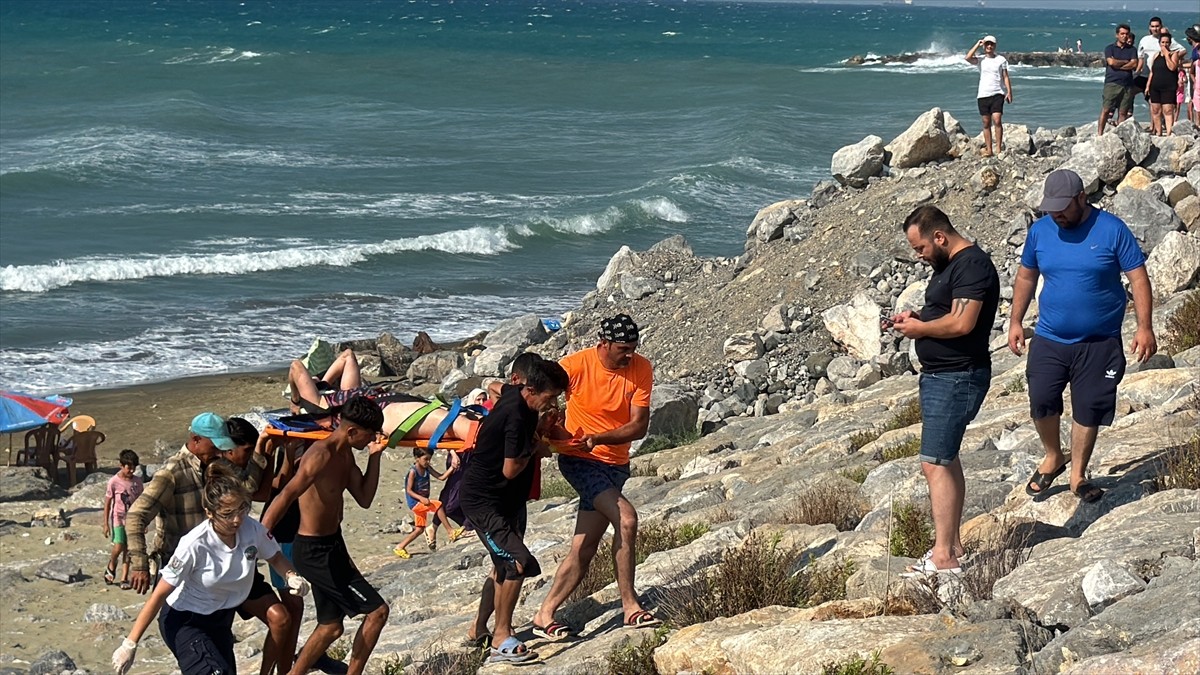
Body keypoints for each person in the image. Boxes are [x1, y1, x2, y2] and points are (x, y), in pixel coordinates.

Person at [1009, 170, 1156, 504]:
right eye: (1051, 208)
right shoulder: (1040, 231)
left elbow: (1138, 279)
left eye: (1062, 207)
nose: (1056, 214)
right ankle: (1052, 456)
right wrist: (1015, 320)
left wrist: (1144, 327)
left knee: (1089, 407)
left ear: (1081, 198)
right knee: (1042, 398)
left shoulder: (1112, 229)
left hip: (1100, 340)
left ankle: (1078, 475)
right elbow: (1026, 277)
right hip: (1049, 336)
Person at [111, 462, 310, 675]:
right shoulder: (194, 544)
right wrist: (130, 643)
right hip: (186, 620)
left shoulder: (251, 529)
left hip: (221, 620)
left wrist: (291, 576)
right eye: (227, 513)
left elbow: (276, 556)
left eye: (241, 509)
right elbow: (160, 593)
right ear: (209, 512)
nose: (236, 519)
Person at [531, 314, 659, 640]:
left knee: (584, 549)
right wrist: (550, 429)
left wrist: (599, 437)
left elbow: (639, 426)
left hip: (616, 465)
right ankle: (630, 606)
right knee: (627, 519)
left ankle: (544, 614)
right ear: (603, 344)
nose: (629, 355)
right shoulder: (574, 366)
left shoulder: (641, 368)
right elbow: (539, 395)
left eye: (633, 348)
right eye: (622, 349)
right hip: (579, 461)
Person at [888, 206, 999, 576]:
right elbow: (945, 314)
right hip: (942, 375)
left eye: (920, 248)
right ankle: (952, 544)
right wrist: (918, 319)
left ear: (939, 237)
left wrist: (921, 332)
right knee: (946, 458)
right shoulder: (949, 267)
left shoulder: (972, 265)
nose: (919, 256)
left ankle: (943, 558)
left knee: (934, 462)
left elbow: (964, 322)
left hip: (958, 375)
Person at [260, 395, 389, 675]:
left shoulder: (347, 454)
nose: (371, 440)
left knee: (331, 627)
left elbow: (365, 498)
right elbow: (287, 494)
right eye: (369, 435)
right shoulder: (320, 454)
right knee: (378, 612)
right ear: (352, 431)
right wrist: (259, 536)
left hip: (334, 544)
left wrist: (375, 457)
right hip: (313, 551)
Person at [462, 359, 569, 663]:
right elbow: (511, 469)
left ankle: (478, 629)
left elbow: (493, 386)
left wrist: (541, 426)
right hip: (485, 503)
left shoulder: (513, 393)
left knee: (500, 564)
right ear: (531, 390)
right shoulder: (516, 417)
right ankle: (501, 638)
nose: (553, 403)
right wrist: (537, 444)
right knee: (518, 563)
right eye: (549, 398)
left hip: (509, 500)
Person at [125, 412, 242, 595]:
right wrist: (140, 565)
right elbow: (135, 516)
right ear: (196, 440)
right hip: (176, 564)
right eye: (215, 447)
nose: (219, 453)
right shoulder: (172, 473)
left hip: (210, 562)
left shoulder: (214, 467)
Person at [392, 447, 464, 558]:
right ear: (417, 458)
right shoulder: (413, 472)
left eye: (429, 459)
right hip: (416, 503)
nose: (428, 462)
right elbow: (409, 490)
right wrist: (421, 499)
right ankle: (450, 531)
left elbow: (441, 477)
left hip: (422, 502)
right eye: (426, 459)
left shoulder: (427, 468)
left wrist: (452, 468)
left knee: (419, 529)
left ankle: (400, 547)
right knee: (439, 505)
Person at [965, 35, 1012, 157]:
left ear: (995, 46)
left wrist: (1009, 92)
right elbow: (968, 58)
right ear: (984, 46)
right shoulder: (980, 60)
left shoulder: (1001, 60)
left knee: (997, 120)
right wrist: (977, 44)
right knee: (986, 123)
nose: (989, 46)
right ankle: (989, 150)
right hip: (983, 94)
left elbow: (1005, 77)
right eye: (987, 44)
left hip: (997, 93)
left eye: (991, 44)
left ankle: (999, 150)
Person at [103, 449, 144, 590]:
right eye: (129, 467)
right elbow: (108, 503)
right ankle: (112, 563)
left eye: (134, 467)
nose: (131, 470)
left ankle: (124, 577)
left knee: (128, 550)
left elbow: (141, 502)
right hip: (118, 518)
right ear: (121, 465)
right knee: (119, 545)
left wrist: (143, 522)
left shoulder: (137, 482)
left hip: (132, 520)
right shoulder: (114, 482)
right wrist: (105, 524)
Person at [287, 348, 365, 411]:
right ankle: (322, 384)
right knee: (348, 355)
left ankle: (295, 401)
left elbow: (295, 365)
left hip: (324, 406)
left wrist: (295, 400)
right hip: (352, 401)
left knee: (295, 366)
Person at [1137, 17, 1185, 119]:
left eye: (1157, 26)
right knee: (1131, 92)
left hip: (1163, 76)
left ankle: (1157, 126)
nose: (1155, 29)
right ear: (1149, 27)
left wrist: (1173, 56)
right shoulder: (1144, 40)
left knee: (1159, 103)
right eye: (1153, 26)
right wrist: (1136, 71)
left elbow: (1183, 50)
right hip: (1146, 74)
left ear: (1161, 27)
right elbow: (1140, 57)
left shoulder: (1166, 40)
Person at [1099, 24, 1140, 135]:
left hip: (1127, 84)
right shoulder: (1110, 48)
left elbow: (1134, 64)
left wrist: (1118, 64)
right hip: (1112, 83)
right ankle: (1099, 134)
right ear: (1117, 35)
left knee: (1123, 112)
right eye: (1122, 34)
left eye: (1126, 34)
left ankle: (1119, 134)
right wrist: (1126, 62)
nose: (1124, 36)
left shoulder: (1132, 49)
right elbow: (1111, 62)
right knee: (1106, 109)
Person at [1146, 30, 1184, 136]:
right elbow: (1152, 72)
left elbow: (1172, 67)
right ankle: (1158, 132)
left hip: (1168, 86)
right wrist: (1148, 86)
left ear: (1170, 43)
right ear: (1159, 43)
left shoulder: (1174, 54)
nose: (1164, 44)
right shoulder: (1156, 55)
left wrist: (1167, 55)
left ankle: (1168, 132)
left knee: (1168, 110)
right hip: (1155, 85)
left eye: (1167, 42)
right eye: (1162, 42)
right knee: (1155, 109)